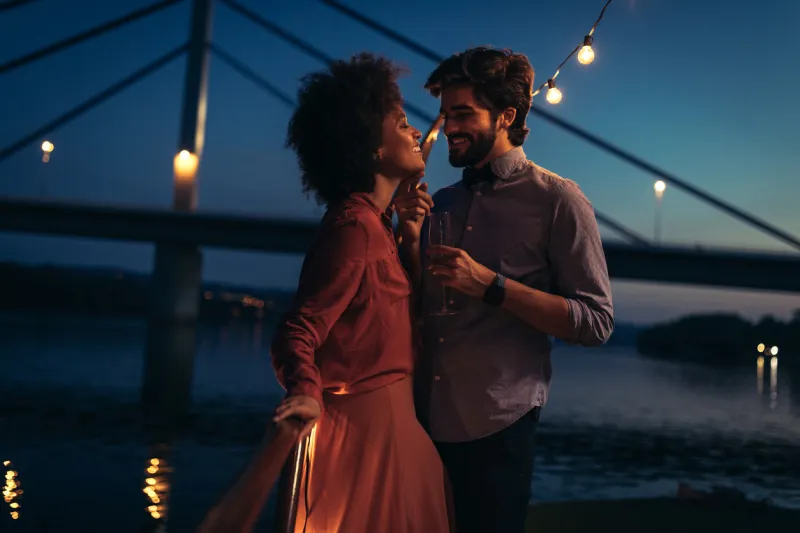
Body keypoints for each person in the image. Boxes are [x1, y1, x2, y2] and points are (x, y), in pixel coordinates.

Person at [393, 46, 614, 533]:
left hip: (497, 429)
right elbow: (419, 304)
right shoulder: (440, 202)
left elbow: (596, 323)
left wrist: (492, 286)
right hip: (419, 422)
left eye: (463, 114)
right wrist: (408, 237)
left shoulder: (559, 201)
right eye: (446, 114)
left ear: (507, 116)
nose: (449, 127)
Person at [270, 53, 454, 533]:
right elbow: (298, 330)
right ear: (370, 145)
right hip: (365, 445)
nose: (417, 133)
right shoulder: (354, 228)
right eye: (400, 122)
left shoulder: (378, 227)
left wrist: (408, 231)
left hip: (393, 434)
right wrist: (306, 391)